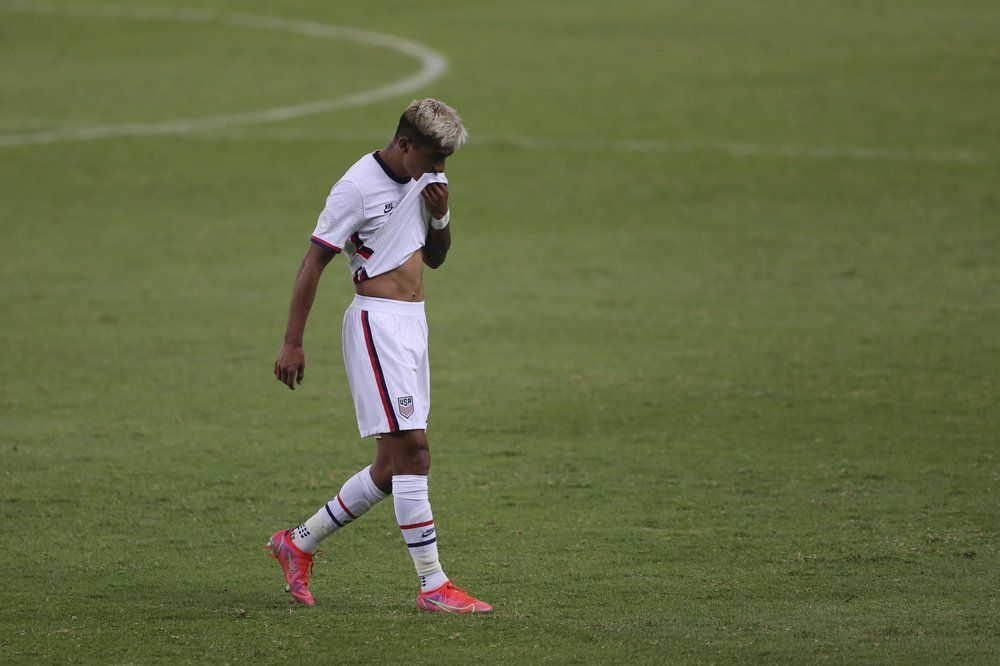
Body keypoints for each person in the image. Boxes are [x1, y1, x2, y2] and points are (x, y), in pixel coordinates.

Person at [267, 99, 491, 614]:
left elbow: (435, 257)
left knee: (392, 468)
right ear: (405, 145)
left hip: (415, 327)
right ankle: (434, 586)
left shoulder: (425, 178)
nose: (441, 169)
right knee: (415, 453)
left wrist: (441, 215)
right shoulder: (356, 187)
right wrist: (293, 341)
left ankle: (297, 542)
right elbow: (313, 261)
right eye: (435, 157)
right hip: (377, 325)